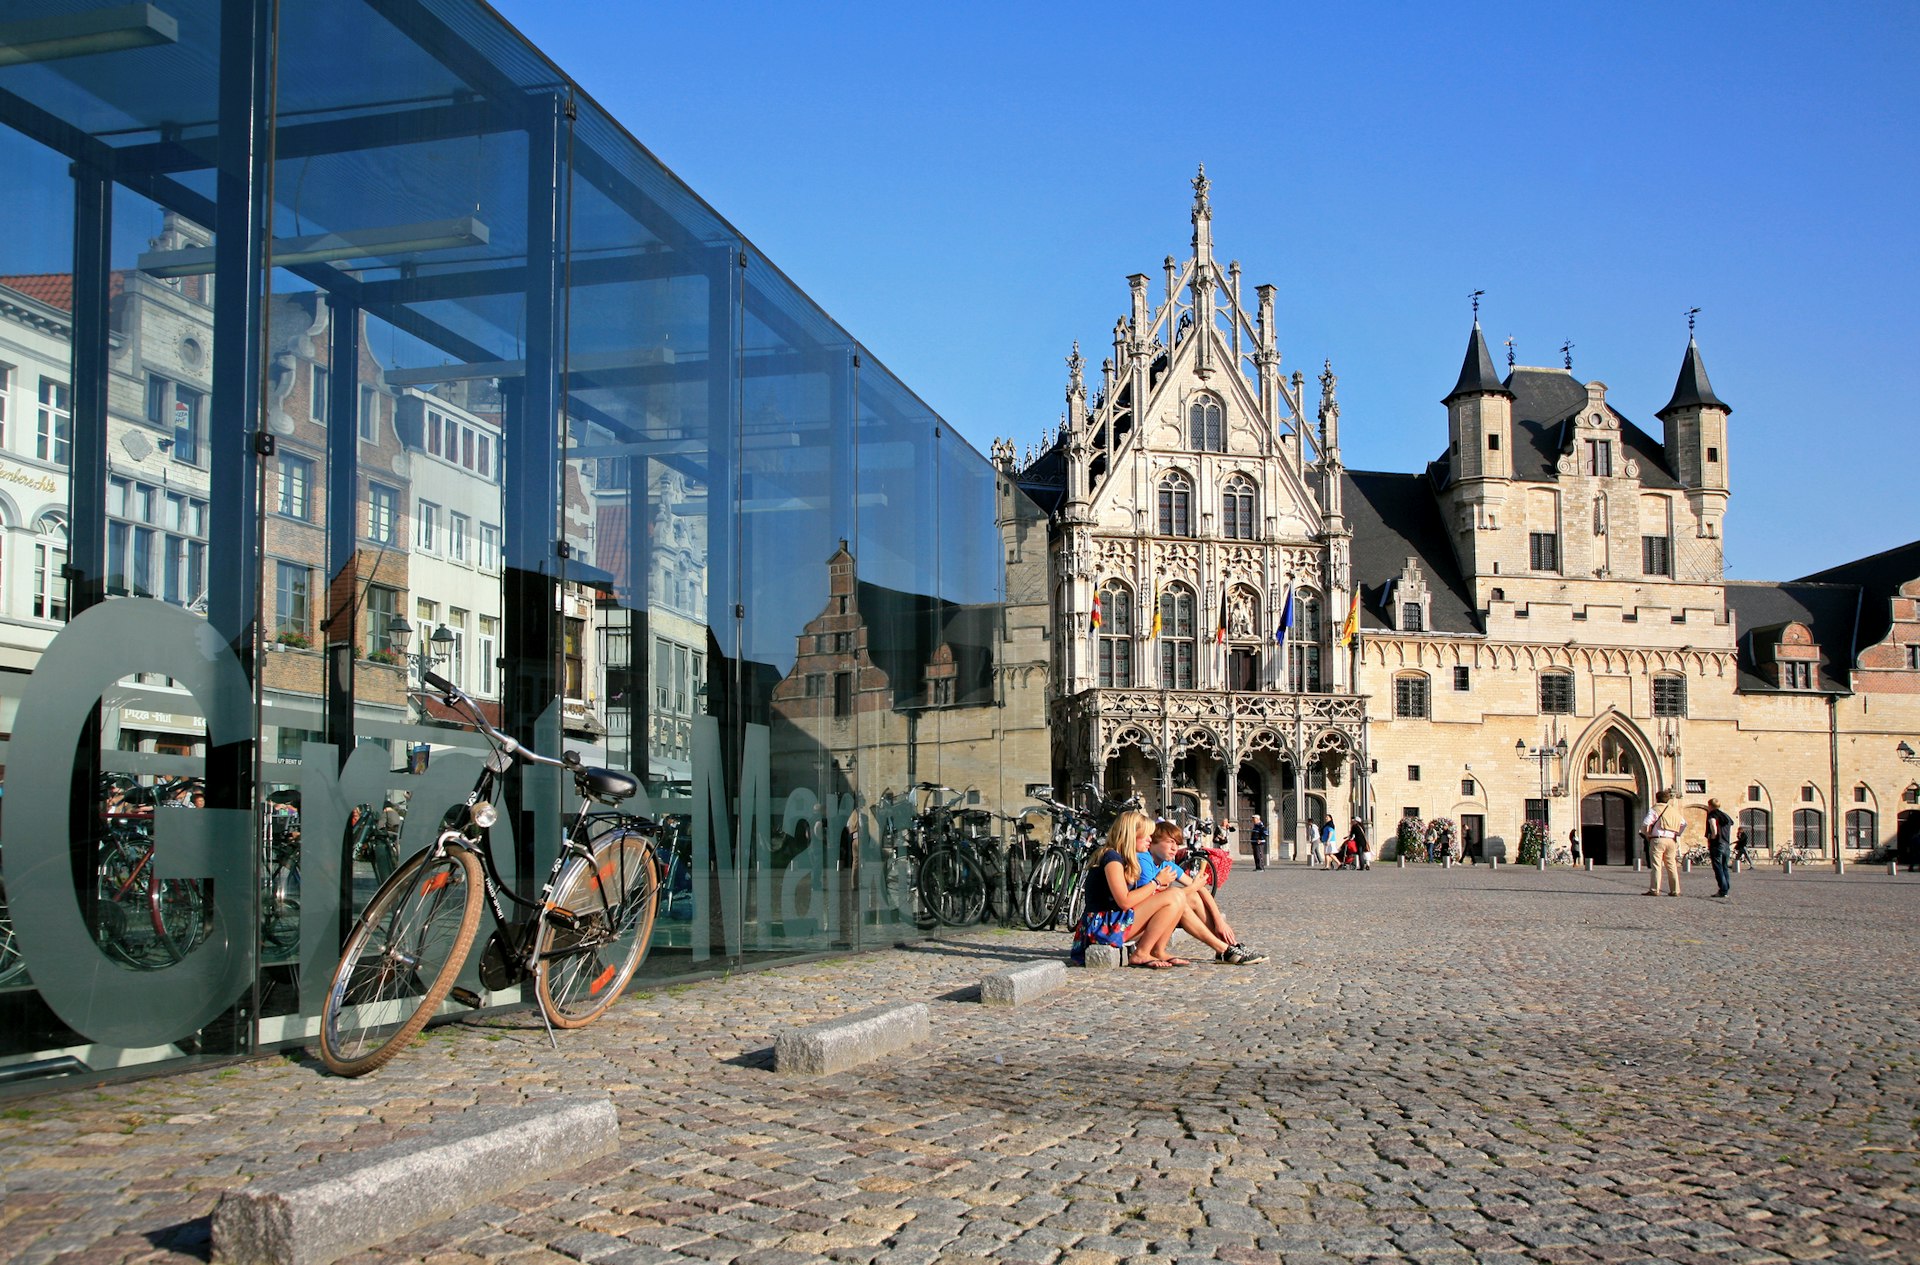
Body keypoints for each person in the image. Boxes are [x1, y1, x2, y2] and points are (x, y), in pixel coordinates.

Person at [1069, 809, 1185, 968]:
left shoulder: (1125, 859)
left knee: (1177, 895)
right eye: (1146, 835)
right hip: (1101, 925)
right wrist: (1156, 882)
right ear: (1131, 834)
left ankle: (1158, 950)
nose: (1150, 840)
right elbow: (1124, 901)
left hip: (1115, 920)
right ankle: (1142, 953)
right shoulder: (1111, 858)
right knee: (1173, 896)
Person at [1143, 822, 1264, 964]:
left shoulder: (1166, 864)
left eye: (1177, 843)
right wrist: (1194, 887)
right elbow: (1149, 898)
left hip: (1156, 913)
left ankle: (1227, 947)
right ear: (1152, 842)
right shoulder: (1144, 860)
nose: (1175, 848)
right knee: (1181, 900)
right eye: (1170, 842)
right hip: (1139, 918)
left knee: (1192, 896)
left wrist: (1219, 922)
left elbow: (1200, 889)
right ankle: (1223, 949)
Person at [1641, 789, 1686, 896]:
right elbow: (1684, 824)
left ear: (1657, 798)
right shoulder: (1674, 811)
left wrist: (1646, 834)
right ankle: (1675, 890)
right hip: (1671, 840)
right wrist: (1677, 834)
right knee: (1671, 865)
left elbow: (1645, 823)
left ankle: (1654, 889)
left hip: (1658, 839)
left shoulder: (1655, 809)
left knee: (1656, 865)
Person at [1705, 797, 1735, 898]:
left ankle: (1723, 889)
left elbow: (1713, 824)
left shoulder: (1712, 815)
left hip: (1717, 844)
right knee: (1724, 867)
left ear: (1710, 805)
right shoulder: (1725, 816)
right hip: (1726, 844)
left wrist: (1713, 835)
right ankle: (1726, 888)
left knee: (1718, 867)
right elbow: (1731, 824)